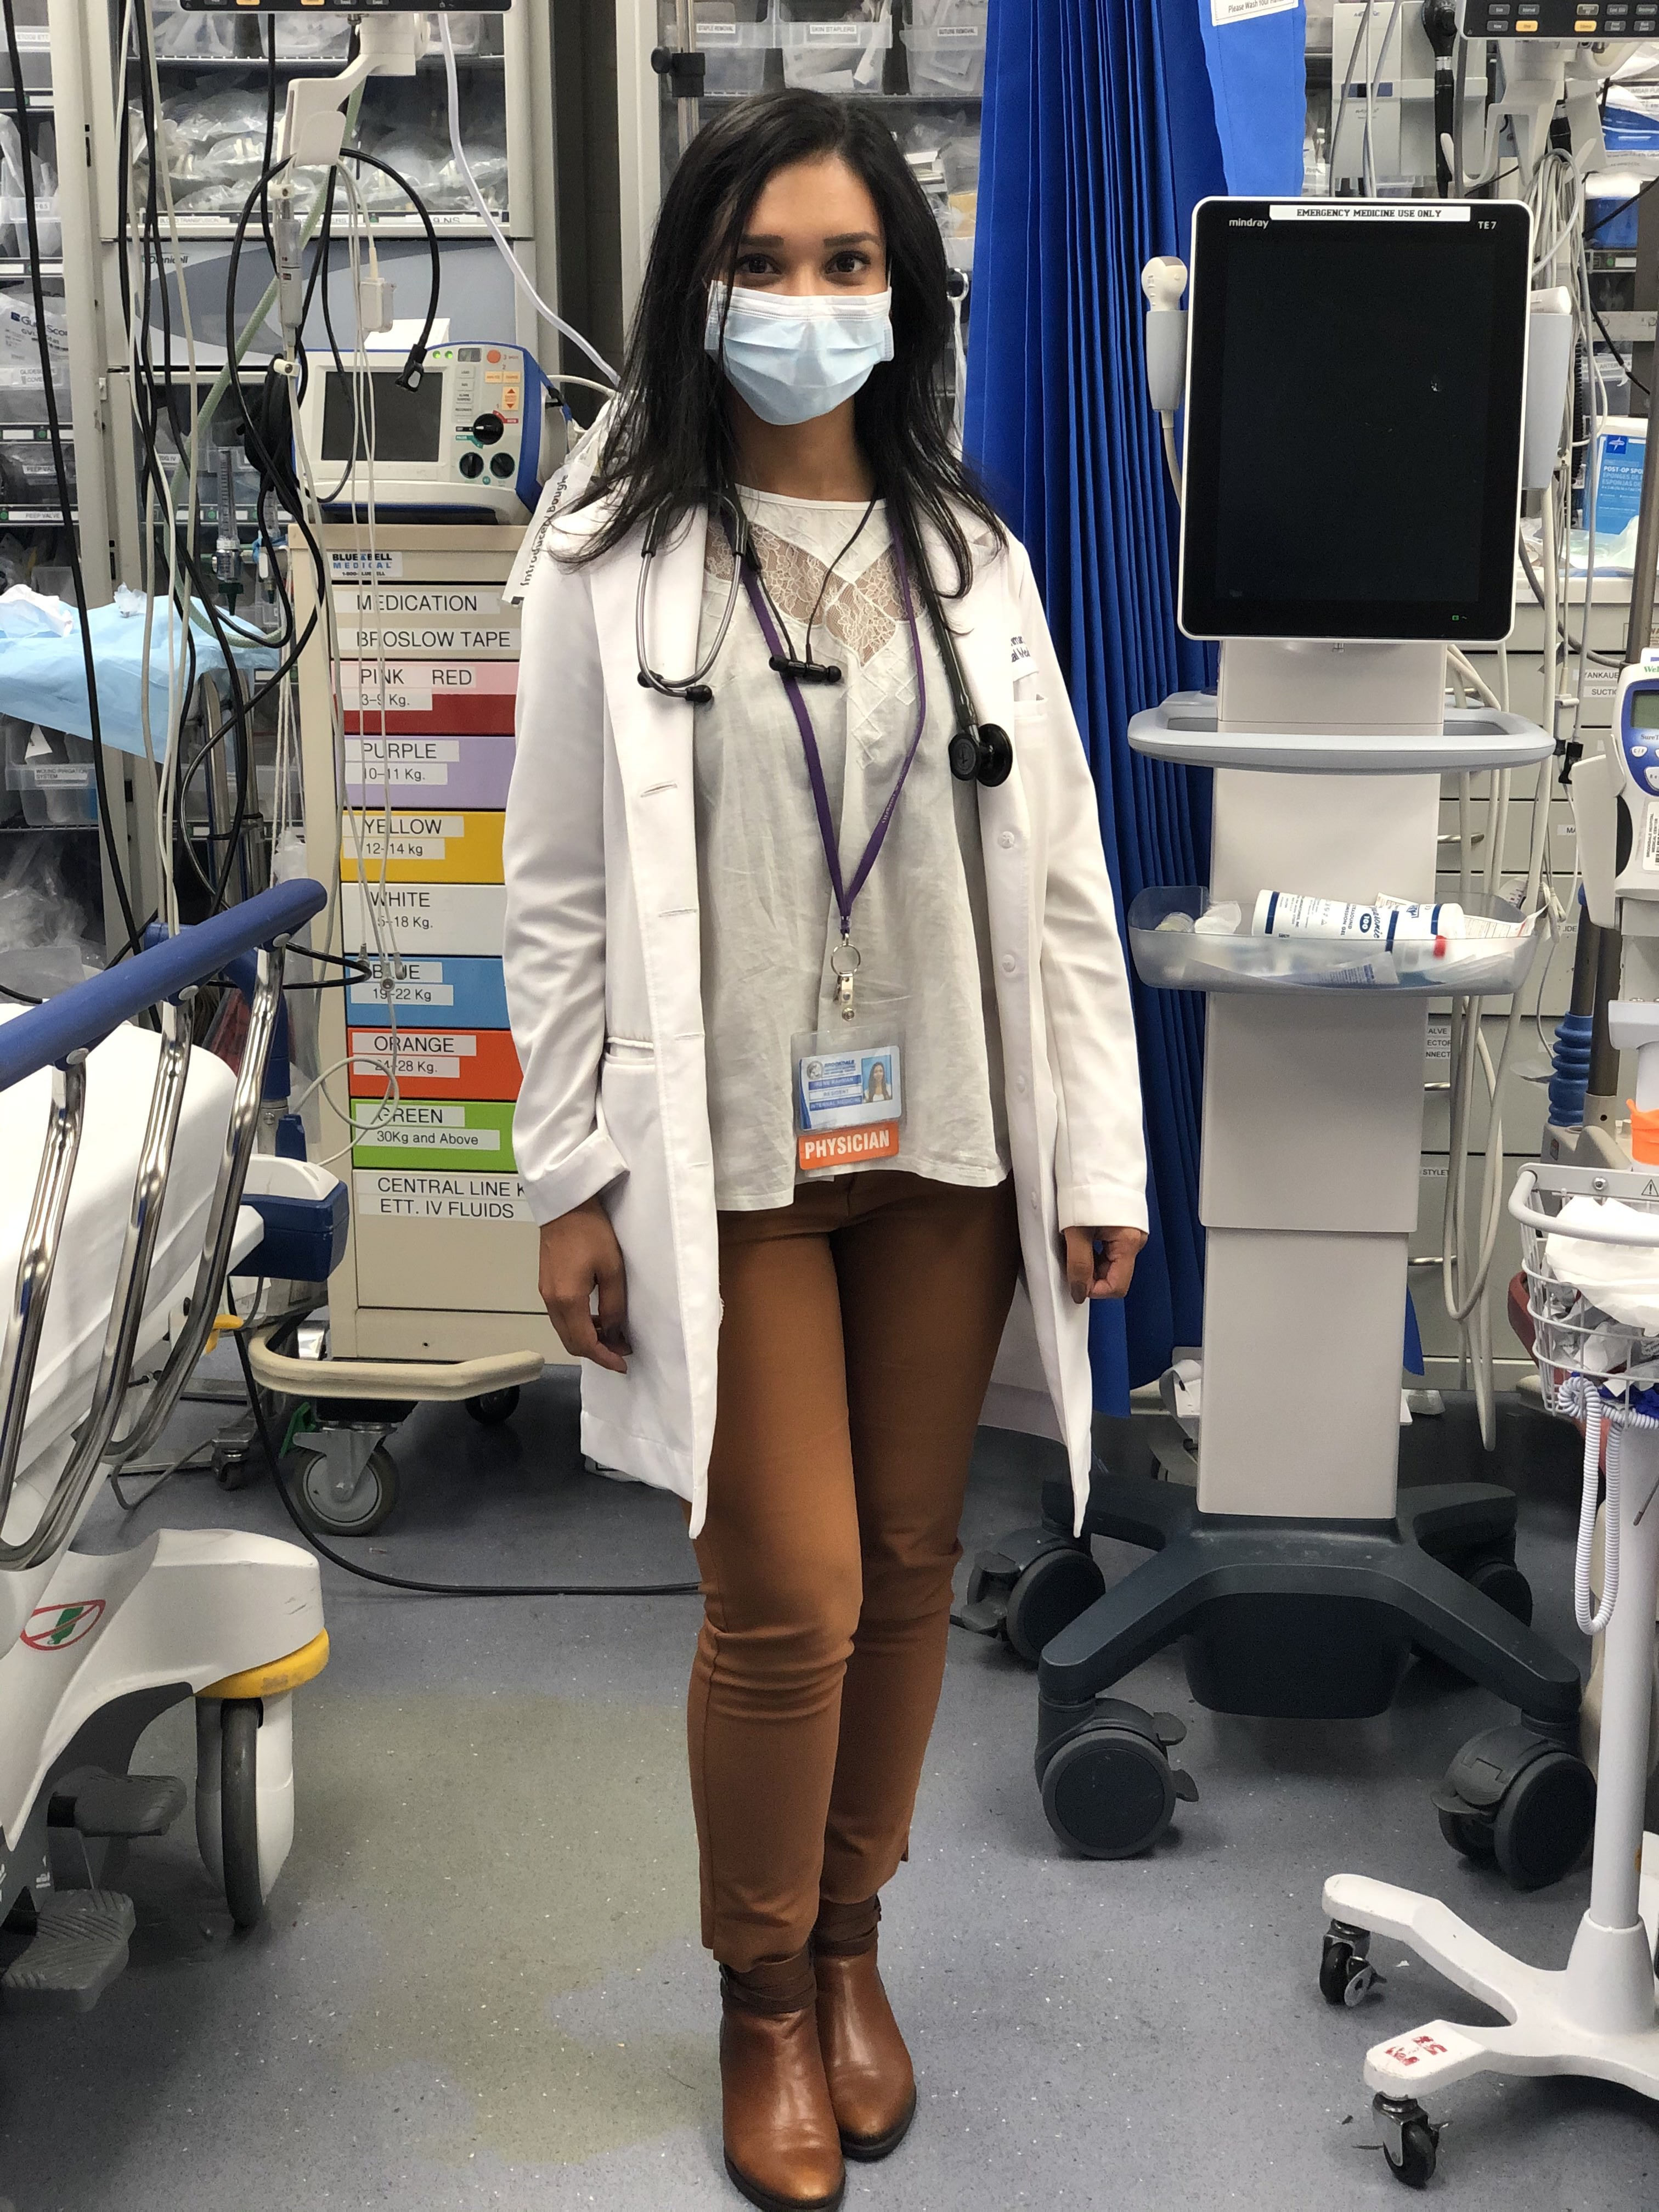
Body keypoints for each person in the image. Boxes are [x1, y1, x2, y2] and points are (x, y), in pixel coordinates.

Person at [503, 88, 1147, 2212]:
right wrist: (569, 1177)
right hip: (731, 1161)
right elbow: (564, 892)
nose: (802, 301)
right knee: (777, 1586)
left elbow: (1053, 882)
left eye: (844, 263)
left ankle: (858, 1948)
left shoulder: (975, 561)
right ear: (699, 285)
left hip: (951, 1140)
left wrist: (1099, 1155)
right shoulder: (606, 563)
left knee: (903, 1572)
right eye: (764, 262)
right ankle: (762, 1992)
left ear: (906, 294)